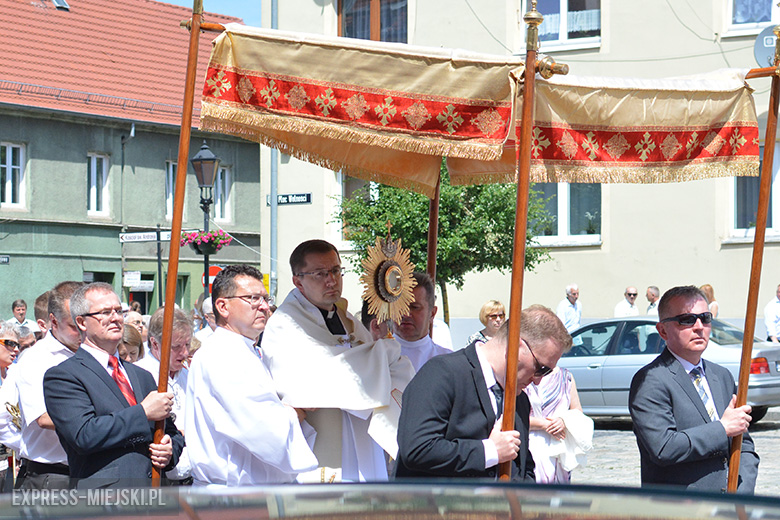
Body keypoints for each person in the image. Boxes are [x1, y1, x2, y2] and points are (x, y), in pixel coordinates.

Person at [262, 239, 415, 482]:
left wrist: (380, 352)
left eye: (335, 270)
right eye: (320, 273)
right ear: (297, 281)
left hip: (361, 438)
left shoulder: (345, 318)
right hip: (322, 441)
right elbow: (309, 380)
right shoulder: (284, 324)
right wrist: (381, 354)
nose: (331, 280)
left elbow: (368, 366)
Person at [395, 305, 571, 480]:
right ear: (516, 347)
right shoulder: (442, 373)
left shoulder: (520, 401)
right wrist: (490, 451)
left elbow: (524, 467)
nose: (539, 380)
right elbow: (417, 448)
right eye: (541, 368)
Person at [185, 264, 317, 486]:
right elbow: (261, 428)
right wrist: (298, 410)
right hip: (235, 496)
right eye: (253, 298)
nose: (264, 307)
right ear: (223, 306)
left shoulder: (244, 350)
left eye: (266, 299)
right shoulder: (223, 355)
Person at [43, 282, 183, 489]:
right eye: (105, 312)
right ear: (81, 322)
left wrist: (169, 448)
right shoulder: (64, 376)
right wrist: (142, 412)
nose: (115, 318)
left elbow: (171, 432)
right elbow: (84, 435)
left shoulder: (141, 375)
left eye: (118, 311)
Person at [629, 285, 758, 492]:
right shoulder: (651, 380)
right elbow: (663, 448)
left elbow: (744, 445)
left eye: (705, 318)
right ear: (662, 330)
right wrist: (722, 428)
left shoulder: (721, 376)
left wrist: (742, 493)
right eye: (687, 320)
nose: (699, 326)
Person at [12, 281, 83, 490]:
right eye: (73, 326)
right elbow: (43, 417)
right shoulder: (36, 358)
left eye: (85, 323)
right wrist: (99, 422)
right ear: (53, 321)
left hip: (89, 473)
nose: (82, 332)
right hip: (51, 475)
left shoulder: (94, 353)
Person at [136, 306, 192, 484]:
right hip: (158, 477)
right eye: (176, 347)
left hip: (192, 476)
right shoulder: (139, 375)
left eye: (187, 344)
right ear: (154, 343)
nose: (184, 353)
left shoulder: (188, 375)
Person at [525, 366, 587, 483]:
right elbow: (514, 417)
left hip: (559, 443)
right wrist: (544, 424)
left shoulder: (566, 376)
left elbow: (577, 411)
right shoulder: (526, 374)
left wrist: (564, 420)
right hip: (533, 442)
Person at [393, 272, 450, 371]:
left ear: (432, 313)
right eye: (400, 307)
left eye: (415, 307)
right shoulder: (376, 357)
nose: (406, 314)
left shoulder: (447, 362)